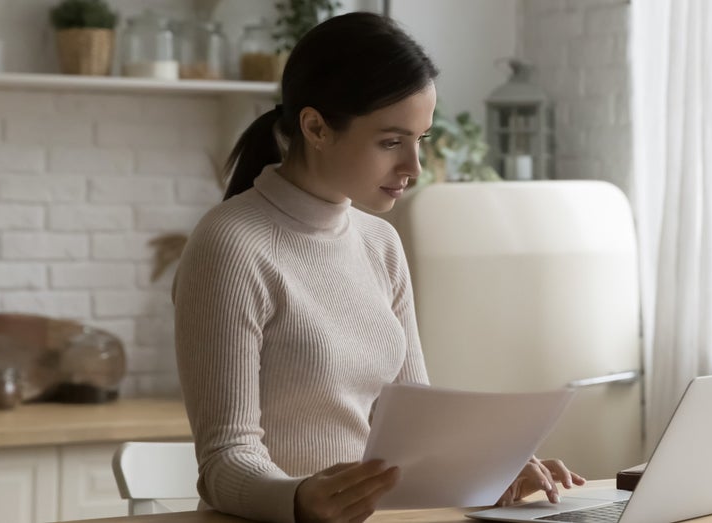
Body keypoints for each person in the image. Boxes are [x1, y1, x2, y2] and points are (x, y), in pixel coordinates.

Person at [173, 12, 584, 523]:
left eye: (421, 139)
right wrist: (298, 499)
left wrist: (492, 471)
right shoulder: (231, 245)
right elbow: (223, 461)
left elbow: (417, 433)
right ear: (315, 127)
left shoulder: (380, 243)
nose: (413, 167)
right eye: (391, 141)